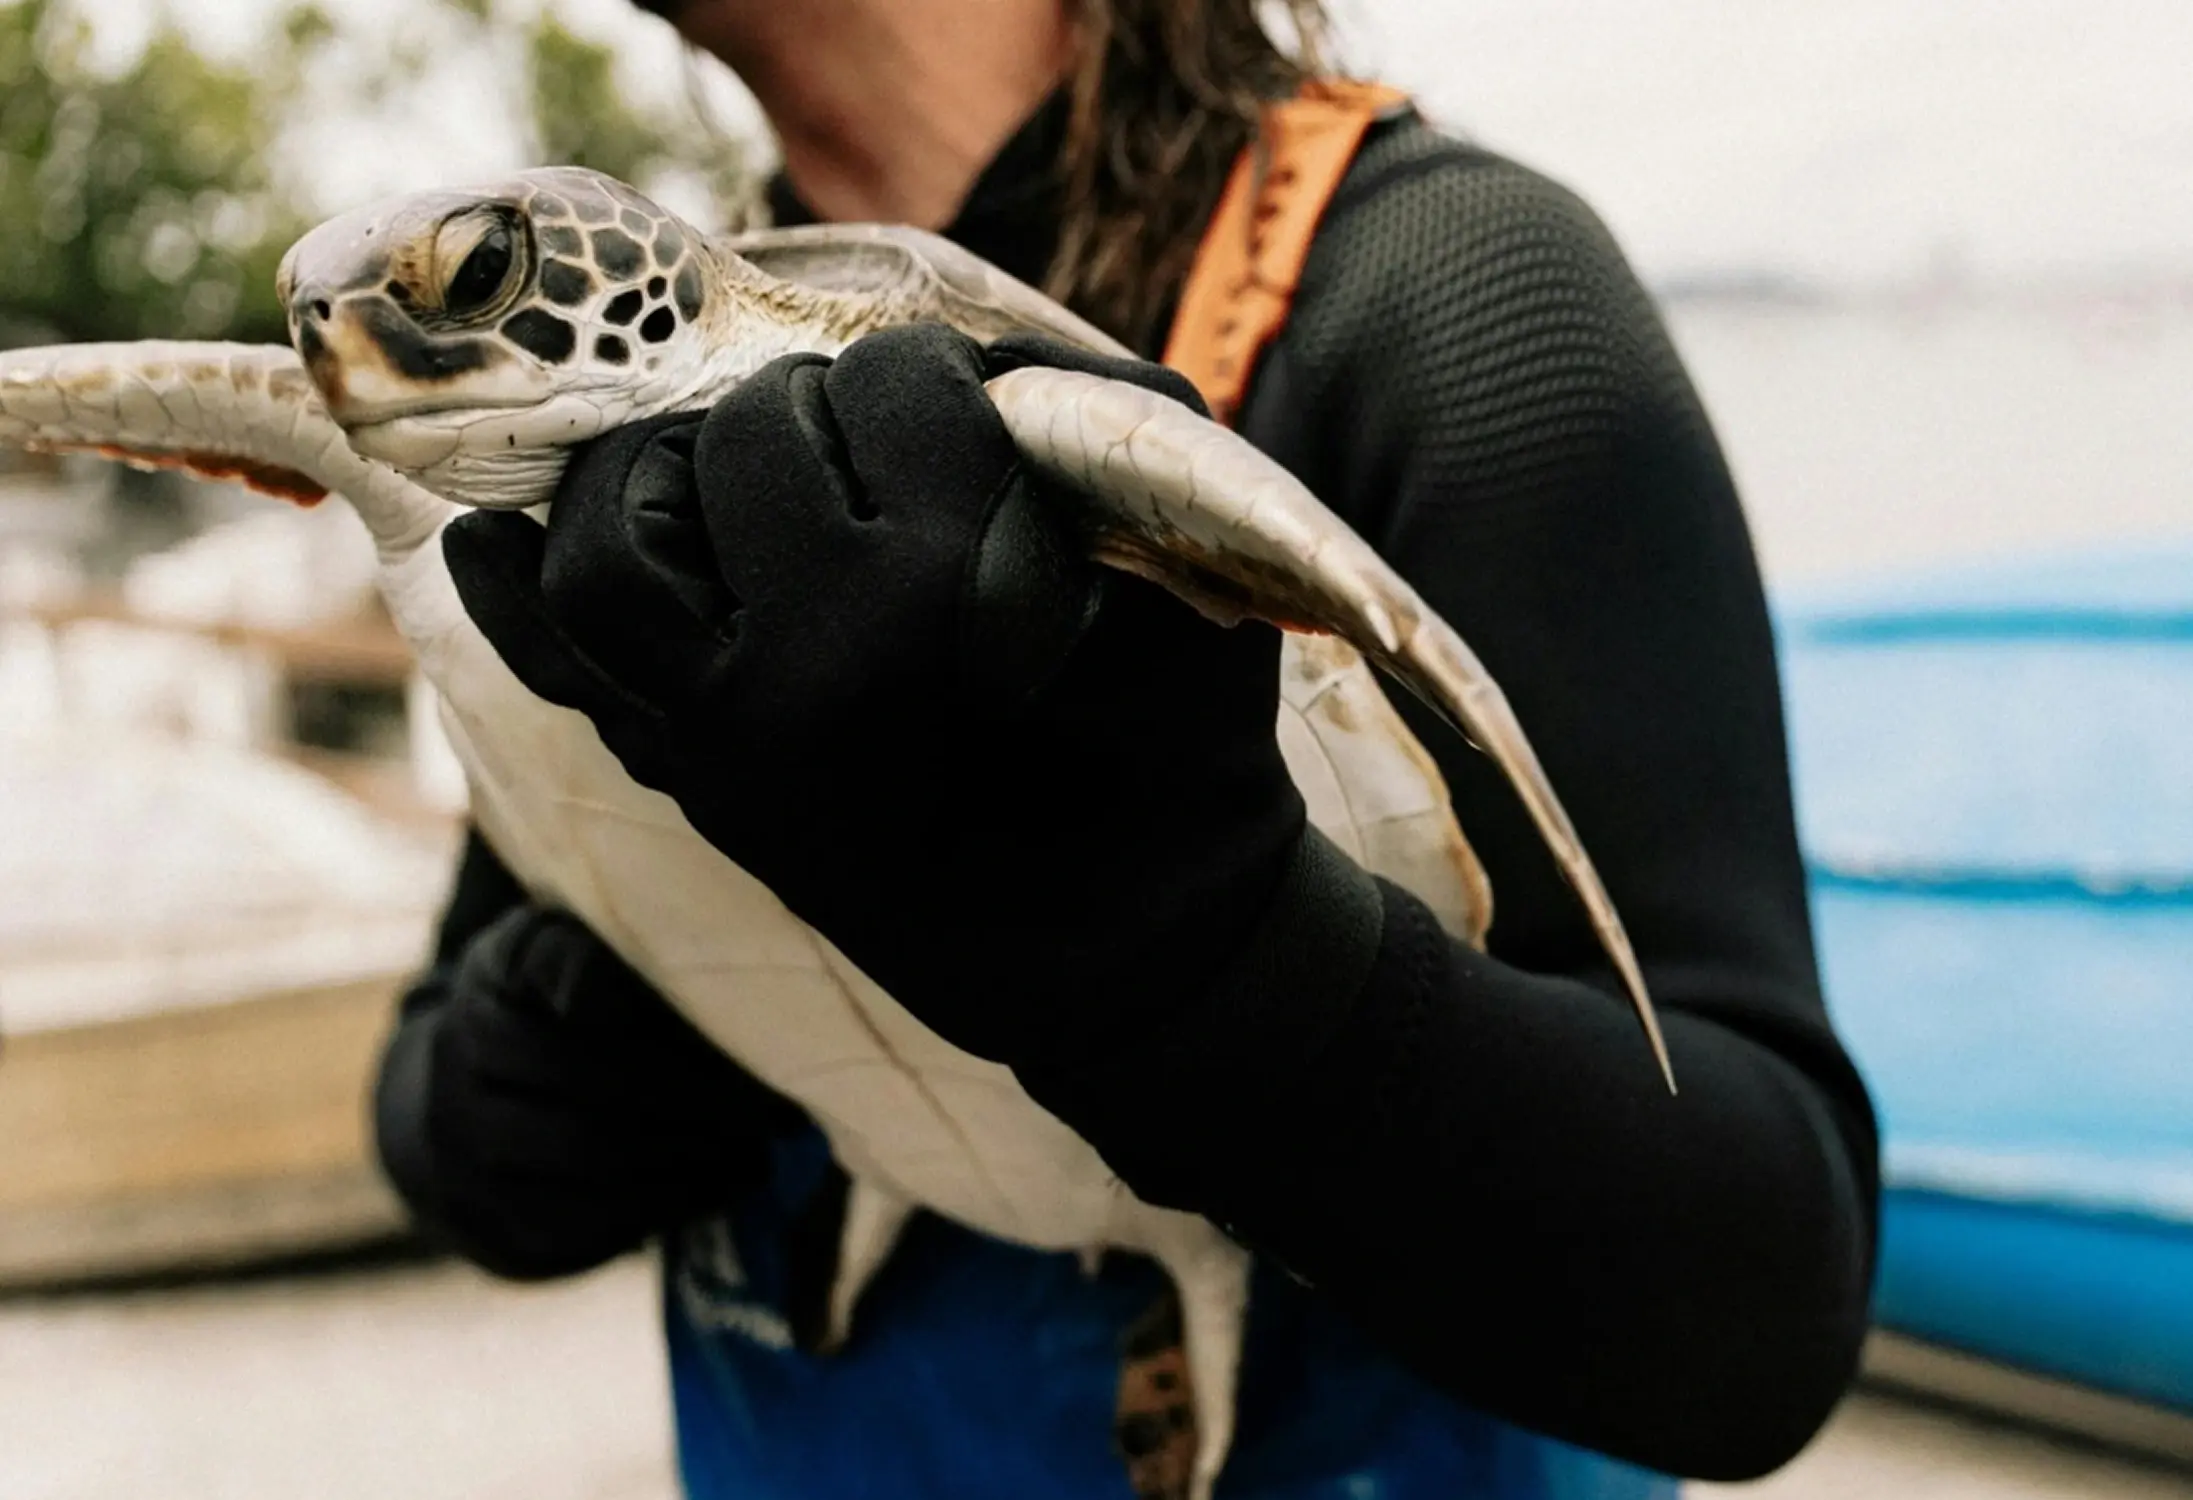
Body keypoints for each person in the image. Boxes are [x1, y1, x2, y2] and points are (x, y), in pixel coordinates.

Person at [372, 2, 1882, 1497]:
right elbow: (450, 1129)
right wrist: (669, 1004)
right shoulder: (594, 382)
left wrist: (1190, 944)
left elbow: (1762, 1303)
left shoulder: (1451, 295)